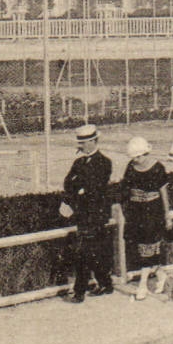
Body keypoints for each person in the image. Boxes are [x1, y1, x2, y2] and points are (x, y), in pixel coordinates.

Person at [60, 124, 114, 303]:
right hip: (83, 214)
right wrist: (78, 190)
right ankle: (106, 284)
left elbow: (94, 188)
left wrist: (79, 188)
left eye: (83, 143)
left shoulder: (104, 162)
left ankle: (79, 292)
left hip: (96, 215)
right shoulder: (79, 162)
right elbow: (68, 183)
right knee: (93, 252)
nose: (80, 146)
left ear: (93, 141)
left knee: (83, 252)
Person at [120, 136, 172, 300]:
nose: (137, 160)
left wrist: (167, 215)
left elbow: (164, 193)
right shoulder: (131, 167)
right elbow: (125, 189)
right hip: (136, 211)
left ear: (146, 153)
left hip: (152, 212)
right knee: (141, 248)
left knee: (148, 246)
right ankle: (161, 274)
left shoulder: (158, 168)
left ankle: (142, 285)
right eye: (134, 157)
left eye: (140, 156)